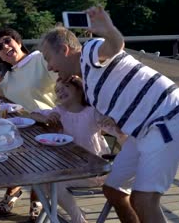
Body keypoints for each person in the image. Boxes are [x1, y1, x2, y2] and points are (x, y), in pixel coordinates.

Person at [39, 6, 179, 223]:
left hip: (169, 121)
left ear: (65, 50)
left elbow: (115, 45)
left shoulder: (89, 52)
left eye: (48, 58)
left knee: (144, 200)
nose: (49, 67)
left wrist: (108, 30)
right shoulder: (90, 83)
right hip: (144, 130)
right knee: (113, 190)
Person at [30, 76, 126, 222]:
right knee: (41, 180)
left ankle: (77, 219)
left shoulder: (92, 113)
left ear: (79, 89)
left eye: (65, 87)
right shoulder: (59, 111)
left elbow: (120, 134)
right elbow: (32, 114)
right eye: (57, 90)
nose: (60, 91)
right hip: (68, 169)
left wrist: (115, 126)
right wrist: (48, 117)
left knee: (55, 184)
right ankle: (73, 215)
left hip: (94, 171)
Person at [0, 28, 57, 220]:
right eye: (0, 47)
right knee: (8, 143)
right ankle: (14, 191)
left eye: (8, 41)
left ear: (18, 41)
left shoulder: (40, 59)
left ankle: (35, 199)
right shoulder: (8, 77)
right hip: (24, 129)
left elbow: (67, 81)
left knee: (30, 152)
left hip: (52, 125)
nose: (6, 47)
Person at [0, 28, 57, 112]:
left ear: (19, 43)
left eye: (7, 40)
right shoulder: (5, 79)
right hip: (24, 124)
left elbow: (67, 84)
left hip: (53, 120)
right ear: (0, 57)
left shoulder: (42, 59)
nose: (5, 46)